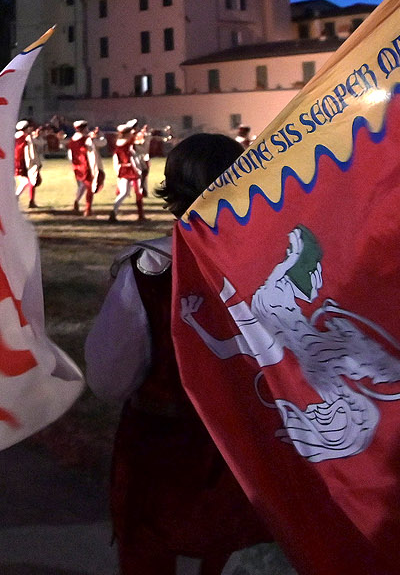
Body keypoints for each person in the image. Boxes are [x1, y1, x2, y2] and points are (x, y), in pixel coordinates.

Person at [85, 133, 272, 575]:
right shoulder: (277, 266)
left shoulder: (148, 273)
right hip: (252, 458)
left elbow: (108, 379)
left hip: (164, 461)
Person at [110, 119, 148, 222]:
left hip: (123, 169)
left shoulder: (118, 144)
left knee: (123, 193)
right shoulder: (129, 143)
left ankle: (114, 211)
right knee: (138, 192)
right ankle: (141, 215)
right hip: (132, 169)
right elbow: (137, 152)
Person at [67, 120, 102, 218]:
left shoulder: (72, 140)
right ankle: (88, 209)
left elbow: (70, 154)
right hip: (86, 165)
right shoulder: (85, 139)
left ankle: (76, 202)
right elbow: (97, 145)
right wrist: (96, 136)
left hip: (77, 166)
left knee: (82, 186)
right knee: (90, 187)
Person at [14, 119, 45, 209]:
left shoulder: (15, 136)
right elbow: (35, 147)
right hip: (25, 162)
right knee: (27, 181)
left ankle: (30, 201)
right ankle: (16, 198)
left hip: (17, 161)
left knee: (28, 181)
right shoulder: (27, 137)